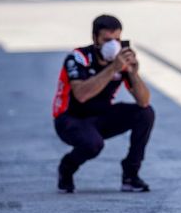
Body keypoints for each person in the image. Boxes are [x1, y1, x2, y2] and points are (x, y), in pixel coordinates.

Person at [52, 14, 155, 193]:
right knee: (93, 144)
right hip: (70, 119)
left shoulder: (121, 59)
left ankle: (131, 175)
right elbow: (82, 94)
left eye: (117, 39)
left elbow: (144, 101)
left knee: (145, 113)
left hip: (101, 116)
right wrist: (113, 68)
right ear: (95, 39)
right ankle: (67, 167)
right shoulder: (78, 58)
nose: (113, 45)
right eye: (107, 40)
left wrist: (133, 73)